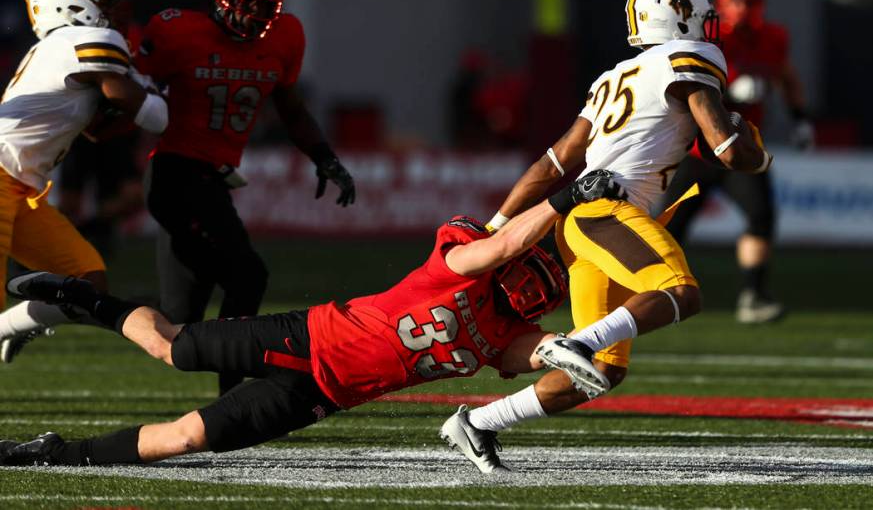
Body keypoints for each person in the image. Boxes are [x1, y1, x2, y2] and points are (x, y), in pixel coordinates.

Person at [0, 177, 614, 472]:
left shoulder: (507, 335)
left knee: (183, 440)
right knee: (174, 349)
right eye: (531, 276)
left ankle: (52, 455)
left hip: (325, 394)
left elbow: (522, 358)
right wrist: (563, 201)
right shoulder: (458, 265)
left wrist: (576, 346)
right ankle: (82, 298)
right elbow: (501, 246)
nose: (531, 291)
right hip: (309, 337)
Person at [438, 0, 774, 473]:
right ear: (683, 17)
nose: (708, 27)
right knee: (681, 293)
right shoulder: (693, 60)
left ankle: (479, 423)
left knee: (602, 372)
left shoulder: (611, 78)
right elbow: (727, 150)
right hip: (608, 214)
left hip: (576, 224)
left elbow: (553, 163)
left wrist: (495, 226)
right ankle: (576, 342)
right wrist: (757, 154)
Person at [135, 0, 356, 394]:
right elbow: (128, 93)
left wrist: (324, 156)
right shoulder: (177, 31)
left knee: (177, 321)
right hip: (174, 174)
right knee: (247, 274)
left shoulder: (285, 36)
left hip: (212, 179)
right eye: (247, 2)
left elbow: (291, 109)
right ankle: (234, 387)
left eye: (265, 5)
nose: (256, 16)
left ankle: (72, 306)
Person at [0, 0, 168, 363]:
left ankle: (7, 327)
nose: (110, 12)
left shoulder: (58, 48)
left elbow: (96, 130)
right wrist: (162, 97)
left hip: (21, 189)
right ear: (69, 5)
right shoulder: (85, 37)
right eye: (101, 1)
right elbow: (152, 115)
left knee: (88, 280)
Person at [661, 0, 813, 324]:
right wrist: (725, 92)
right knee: (669, 224)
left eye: (750, 1)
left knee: (761, 216)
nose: (744, 8)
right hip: (697, 148)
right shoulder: (708, 36)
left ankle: (754, 296)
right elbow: (683, 85)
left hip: (741, 148)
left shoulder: (773, 38)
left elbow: (787, 77)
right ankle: (653, 290)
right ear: (720, 2)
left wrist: (800, 119)